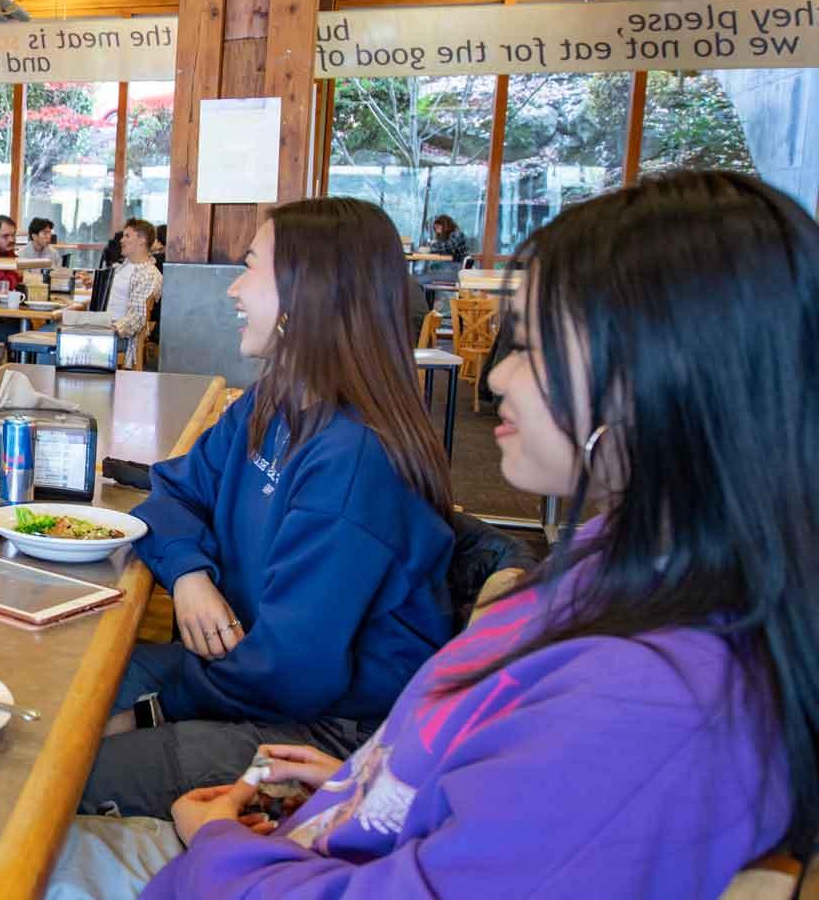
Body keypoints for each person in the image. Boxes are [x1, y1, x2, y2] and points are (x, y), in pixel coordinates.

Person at [152, 170, 815, 896]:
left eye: (529, 344)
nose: (497, 378)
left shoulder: (650, 698)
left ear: (660, 374)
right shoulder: (610, 569)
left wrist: (216, 845)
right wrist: (367, 783)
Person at [81, 197, 454, 821]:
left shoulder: (352, 458)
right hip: (247, 676)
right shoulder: (271, 403)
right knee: (69, 688)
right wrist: (189, 574)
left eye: (250, 265)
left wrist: (151, 710)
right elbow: (173, 490)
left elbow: (293, 671)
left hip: (323, 735)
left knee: (61, 775)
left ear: (309, 290)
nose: (232, 289)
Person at [106, 218, 162, 370]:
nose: (121, 240)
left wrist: (108, 330)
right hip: (103, 327)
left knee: (57, 340)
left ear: (142, 240)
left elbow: (137, 317)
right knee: (54, 333)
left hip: (118, 336)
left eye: (127, 236)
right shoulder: (125, 266)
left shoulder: (148, 274)